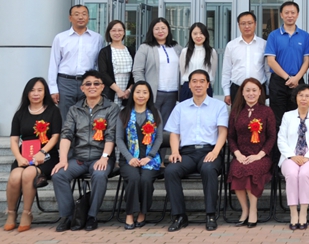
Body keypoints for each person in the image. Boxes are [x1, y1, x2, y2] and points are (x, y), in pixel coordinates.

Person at [52, 70, 119, 232]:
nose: (92, 87)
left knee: (99, 174)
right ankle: (69, 217)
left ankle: (91, 216)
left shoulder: (111, 108)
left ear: (102, 87)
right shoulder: (74, 109)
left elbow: (111, 135)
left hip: (100, 156)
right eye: (88, 84)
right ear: (82, 88)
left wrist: (104, 157)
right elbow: (66, 135)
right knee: (58, 175)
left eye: (96, 83)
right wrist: (63, 159)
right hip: (79, 158)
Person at [164, 70, 228, 232]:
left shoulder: (218, 106)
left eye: (201, 81)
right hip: (187, 153)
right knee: (171, 170)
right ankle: (179, 216)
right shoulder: (180, 107)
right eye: (194, 81)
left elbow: (223, 132)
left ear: (208, 84)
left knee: (208, 168)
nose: (198, 84)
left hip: (209, 151)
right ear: (189, 85)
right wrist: (174, 151)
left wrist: (215, 152)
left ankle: (210, 215)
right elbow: (174, 133)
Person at [5, 78, 62, 232]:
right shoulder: (20, 114)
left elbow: (55, 136)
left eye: (39, 90)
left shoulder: (53, 111)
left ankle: (27, 213)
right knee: (15, 176)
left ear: (45, 93)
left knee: (29, 173)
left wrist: (42, 152)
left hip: (47, 156)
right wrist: (19, 157)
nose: (36, 93)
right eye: (32, 90)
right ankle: (11, 213)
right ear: (27, 93)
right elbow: (14, 140)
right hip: (24, 155)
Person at [227, 78, 276, 228]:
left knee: (250, 170)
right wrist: (237, 154)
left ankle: (253, 210)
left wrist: (260, 155)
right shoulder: (236, 111)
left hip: (261, 156)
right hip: (241, 155)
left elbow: (272, 136)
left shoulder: (267, 111)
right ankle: (245, 210)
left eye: (254, 90)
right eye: (247, 90)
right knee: (236, 169)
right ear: (242, 92)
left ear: (260, 92)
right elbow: (231, 136)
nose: (251, 93)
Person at [277, 84, 309, 230]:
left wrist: (307, 157)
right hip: (289, 156)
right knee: (292, 174)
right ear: (296, 98)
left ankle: (303, 213)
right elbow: (281, 139)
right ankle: (293, 213)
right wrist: (292, 156)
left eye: (307, 96)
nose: (303, 99)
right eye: (300, 95)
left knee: (304, 174)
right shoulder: (287, 116)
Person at [115, 81, 163, 230]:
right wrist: (130, 158)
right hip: (129, 159)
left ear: (149, 95)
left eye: (145, 92)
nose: (141, 95)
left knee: (146, 179)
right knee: (134, 178)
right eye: (138, 92)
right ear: (133, 94)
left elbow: (159, 138)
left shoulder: (155, 113)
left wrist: (150, 157)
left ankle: (142, 212)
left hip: (150, 159)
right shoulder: (124, 113)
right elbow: (119, 139)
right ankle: (129, 214)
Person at [48, 4, 104, 122]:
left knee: (88, 116)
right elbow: (54, 63)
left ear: (88, 17)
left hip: (88, 83)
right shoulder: (60, 38)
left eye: (84, 14)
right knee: (65, 117)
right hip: (65, 82)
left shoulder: (97, 38)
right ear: (70, 18)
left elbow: (98, 64)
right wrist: (53, 89)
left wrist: (98, 84)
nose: (81, 17)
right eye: (76, 14)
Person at [266, 1, 309, 127]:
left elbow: (307, 60)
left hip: (298, 81)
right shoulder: (273, 35)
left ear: (297, 14)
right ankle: (278, 141)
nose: (290, 15)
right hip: (278, 82)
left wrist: (296, 78)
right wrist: (287, 78)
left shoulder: (305, 36)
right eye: (286, 13)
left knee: (298, 118)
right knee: (277, 120)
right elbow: (271, 61)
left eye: (293, 12)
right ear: (281, 15)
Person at [132, 17, 183, 125]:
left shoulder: (177, 47)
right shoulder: (145, 47)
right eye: (157, 29)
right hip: (153, 92)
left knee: (167, 125)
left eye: (163, 28)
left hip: (172, 92)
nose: (160, 31)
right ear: (152, 30)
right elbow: (137, 70)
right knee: (150, 124)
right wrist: (143, 90)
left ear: (168, 30)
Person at [221, 11, 268, 105]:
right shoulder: (231, 45)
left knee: (259, 114)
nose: (247, 26)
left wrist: (268, 90)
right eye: (243, 23)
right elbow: (226, 71)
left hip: (258, 89)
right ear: (239, 25)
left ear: (255, 24)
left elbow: (267, 70)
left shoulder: (264, 44)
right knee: (237, 114)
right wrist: (227, 93)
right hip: (237, 88)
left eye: (250, 23)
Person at [97, 19, 135, 107]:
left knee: (126, 113)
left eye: (120, 30)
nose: (117, 33)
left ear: (124, 32)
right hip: (111, 89)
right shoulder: (104, 52)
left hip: (128, 90)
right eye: (113, 30)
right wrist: (118, 90)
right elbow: (103, 73)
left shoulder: (131, 51)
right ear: (109, 33)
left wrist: (129, 90)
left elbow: (135, 72)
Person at [178, 22, 218, 102]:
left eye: (201, 33)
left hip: (205, 87)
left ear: (206, 35)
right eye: (195, 33)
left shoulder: (211, 52)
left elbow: (213, 72)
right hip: (188, 88)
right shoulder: (185, 51)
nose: (198, 36)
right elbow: (182, 71)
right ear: (191, 35)